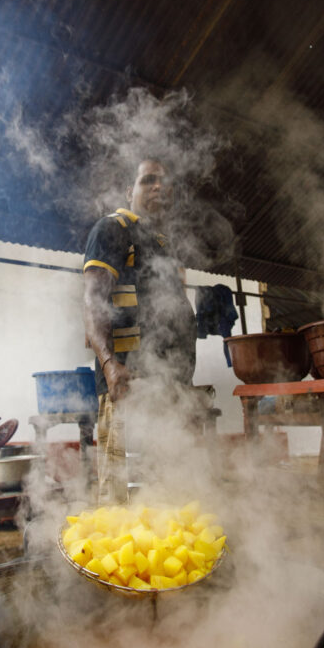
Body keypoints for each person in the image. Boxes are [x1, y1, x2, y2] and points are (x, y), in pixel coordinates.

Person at [82, 159, 197, 501]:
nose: (159, 187)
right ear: (129, 191)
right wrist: (108, 364)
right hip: (126, 385)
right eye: (148, 180)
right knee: (120, 493)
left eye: (165, 181)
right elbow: (93, 301)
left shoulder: (167, 245)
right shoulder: (112, 229)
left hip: (170, 386)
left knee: (168, 489)